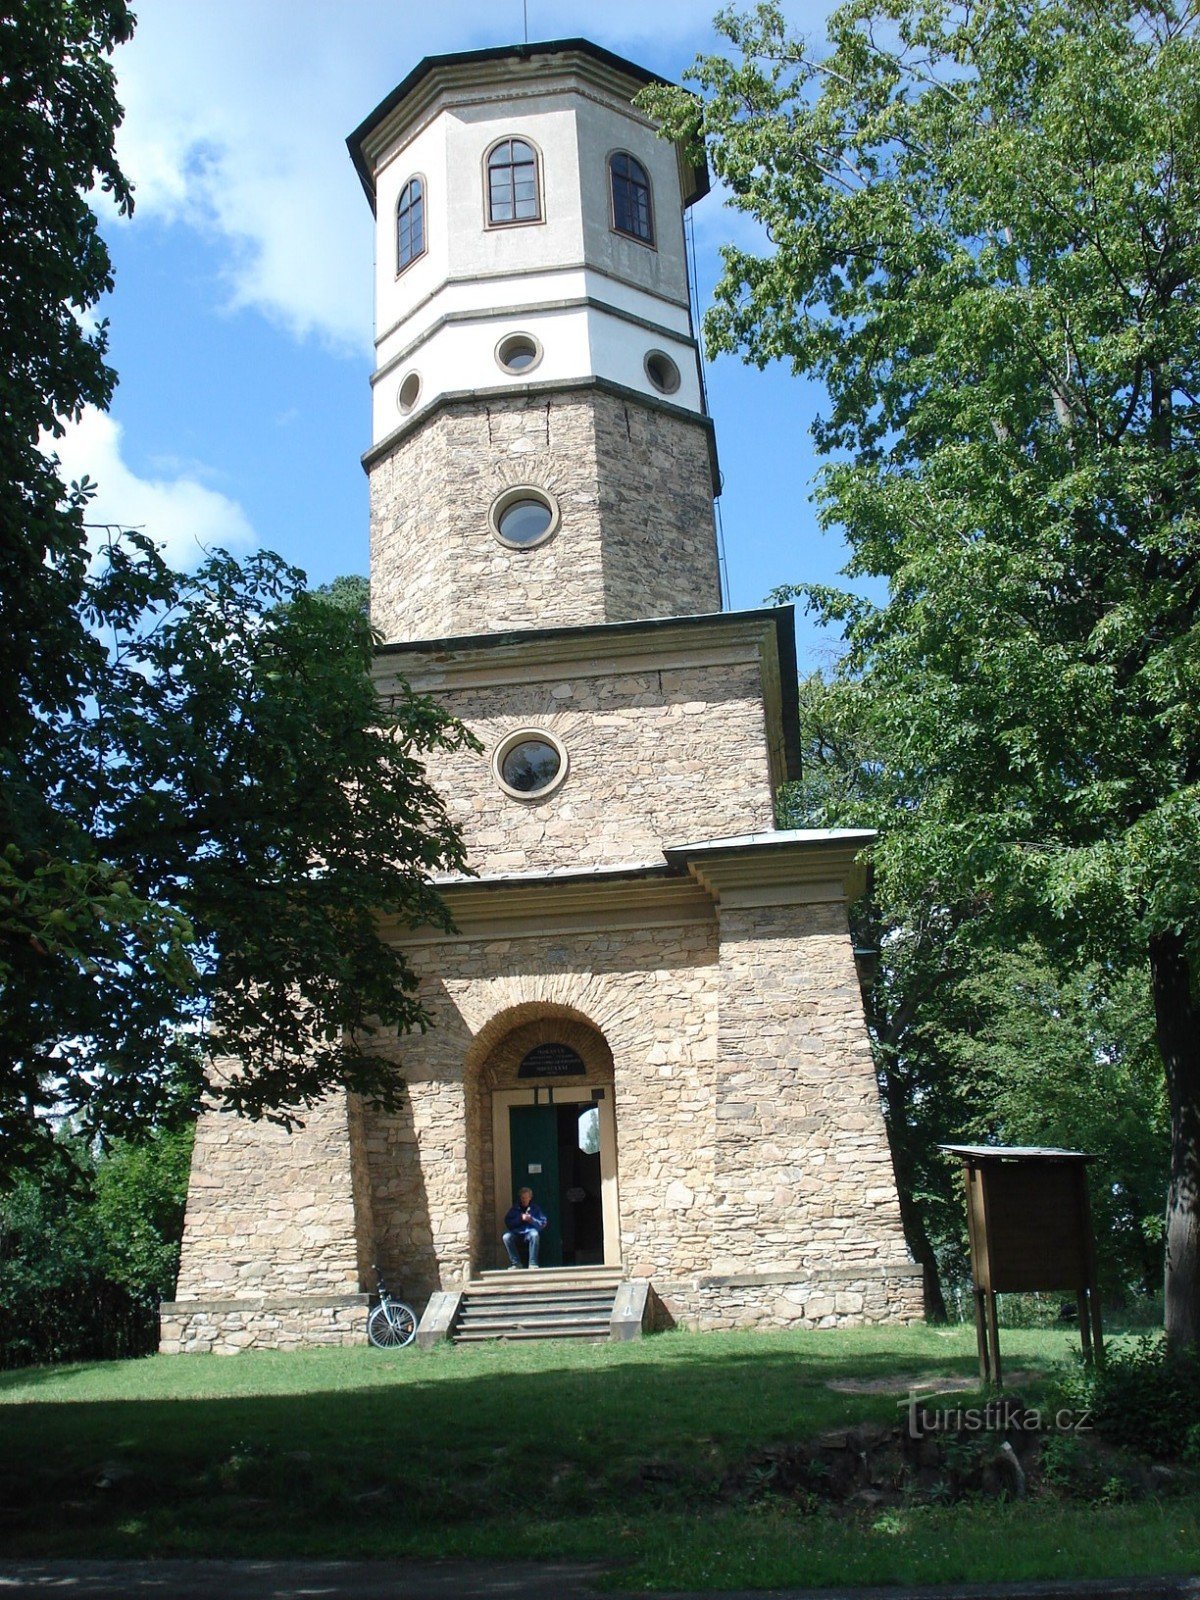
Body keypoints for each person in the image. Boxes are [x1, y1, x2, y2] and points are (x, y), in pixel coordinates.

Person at [503, 1187, 547, 1269]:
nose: (524, 1200)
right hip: (517, 1232)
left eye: (526, 1197)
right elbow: (508, 1222)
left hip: (530, 1232)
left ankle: (533, 1263)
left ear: (530, 1198)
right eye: (523, 1198)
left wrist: (531, 1220)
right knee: (506, 1237)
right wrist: (520, 1218)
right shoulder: (514, 1209)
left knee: (535, 1235)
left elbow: (542, 1223)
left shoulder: (535, 1209)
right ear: (520, 1198)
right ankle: (516, 1263)